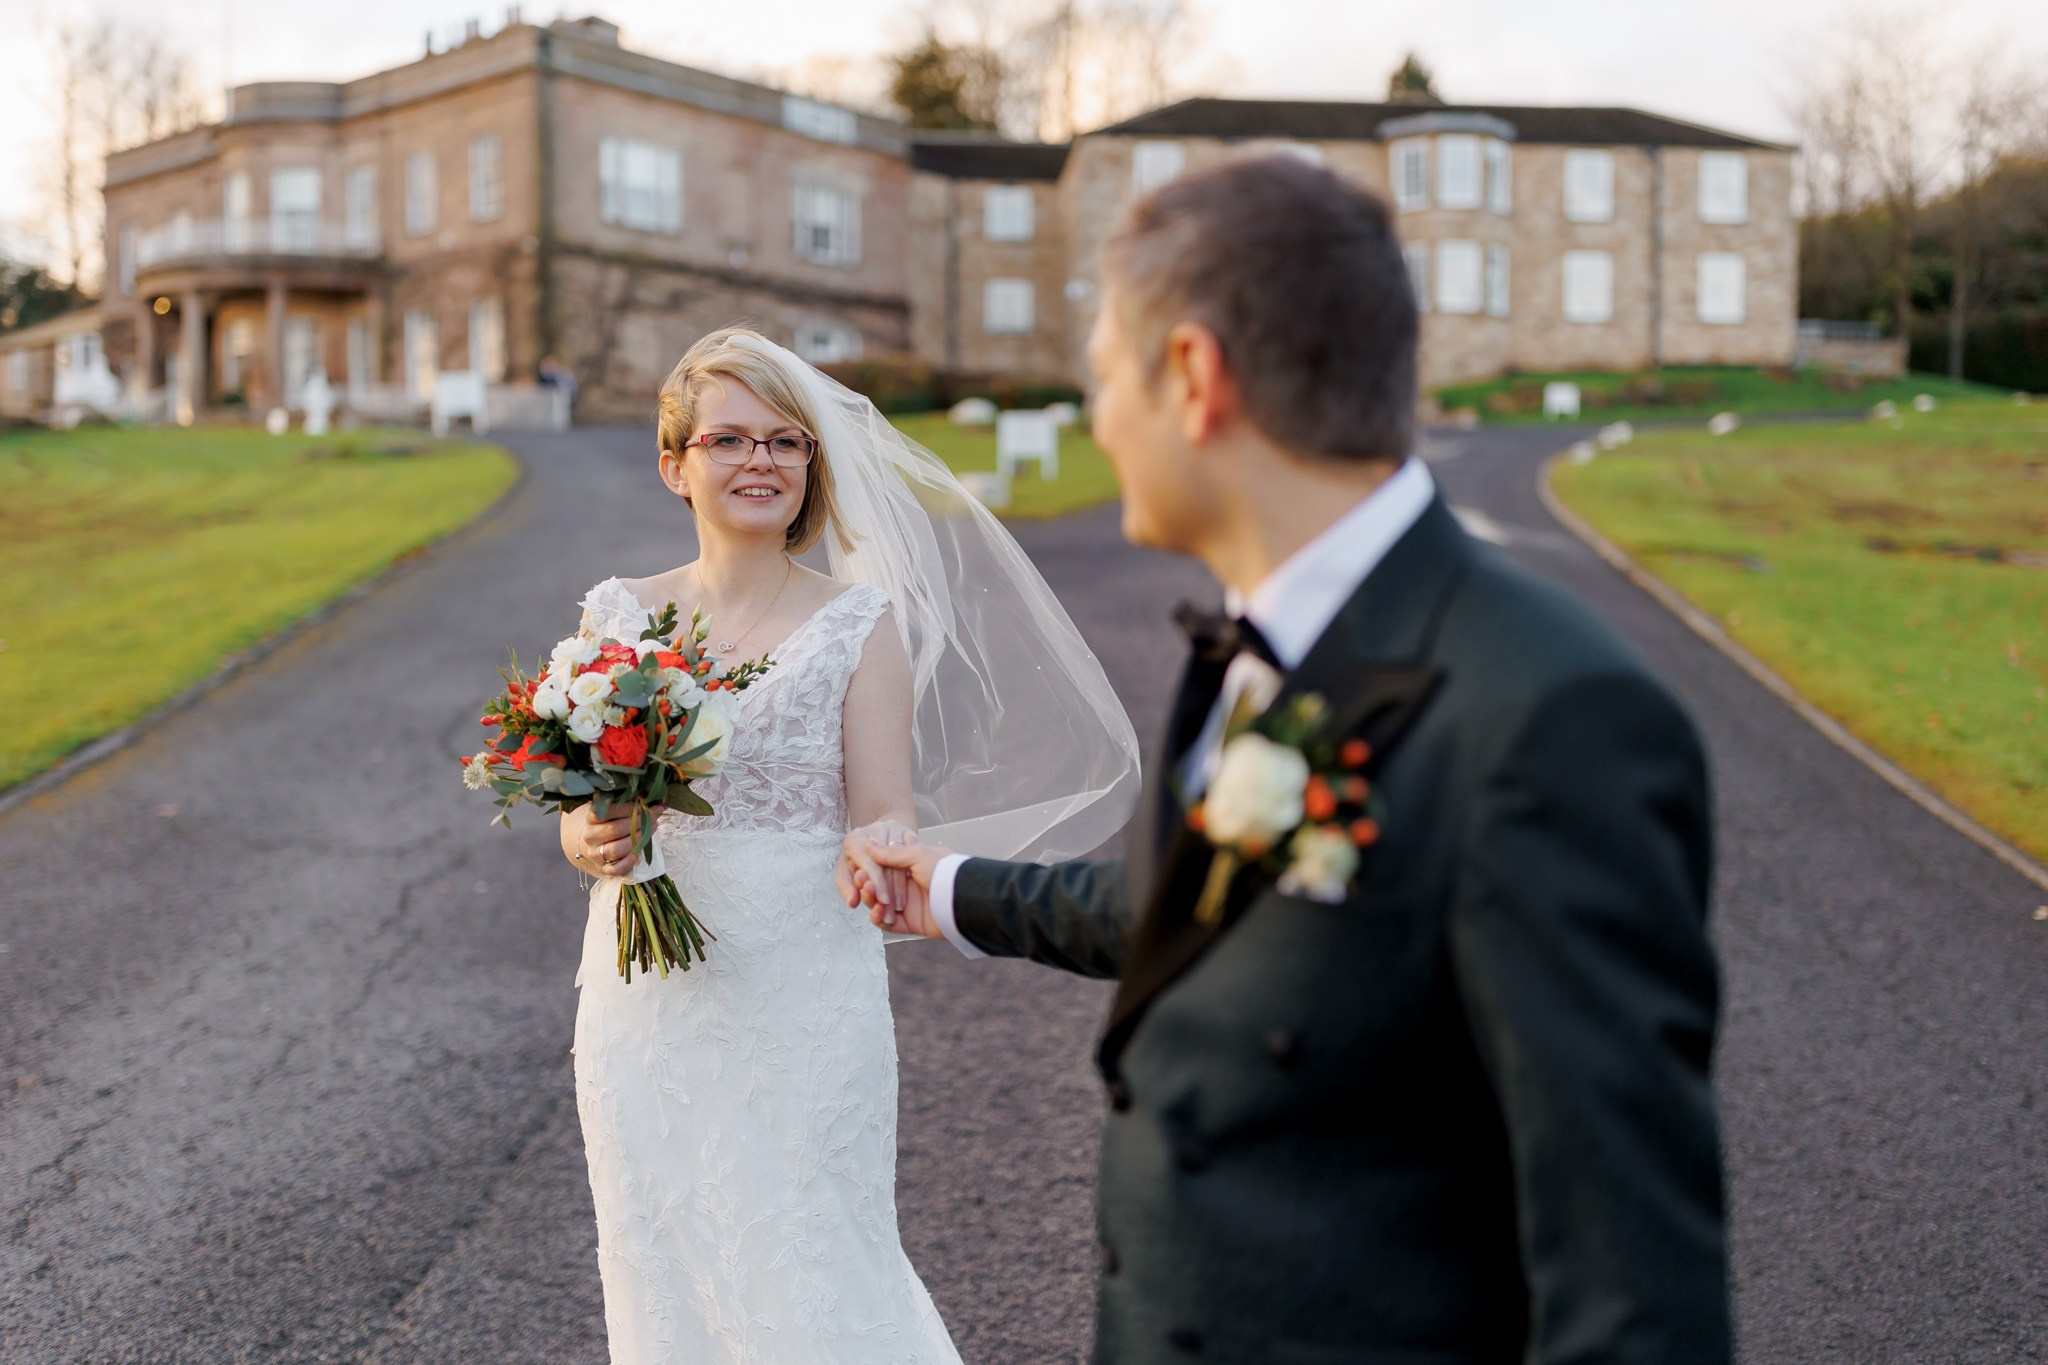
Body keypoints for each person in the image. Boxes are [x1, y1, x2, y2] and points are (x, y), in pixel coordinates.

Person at [842, 155, 1731, 1364]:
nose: (1099, 420)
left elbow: (1632, 1291)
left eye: (1103, 377)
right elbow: (1203, 910)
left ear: (1192, 377)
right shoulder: (1255, 646)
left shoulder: (1549, 714)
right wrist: (948, 888)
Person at [558, 326, 1139, 1364]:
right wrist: (585, 834)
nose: (762, 461)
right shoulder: (619, 616)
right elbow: (579, 806)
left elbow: (882, 813)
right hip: (644, 998)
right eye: (729, 440)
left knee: (814, 1253)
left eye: (786, 441)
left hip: (801, 987)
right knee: (662, 1253)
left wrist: (875, 851)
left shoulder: (857, 623)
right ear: (675, 465)